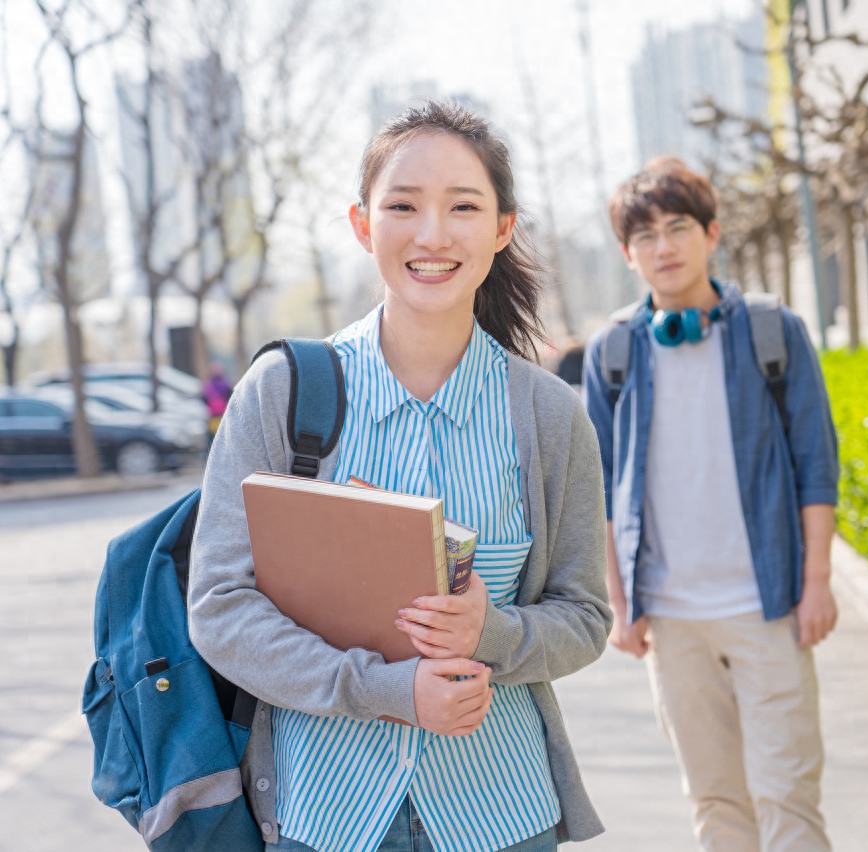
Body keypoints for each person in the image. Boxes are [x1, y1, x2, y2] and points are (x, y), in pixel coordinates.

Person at [188, 101, 611, 852]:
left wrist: (494, 631)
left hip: (501, 813)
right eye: (403, 206)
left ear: (502, 228)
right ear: (362, 225)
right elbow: (220, 606)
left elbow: (583, 617)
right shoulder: (282, 393)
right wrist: (384, 691)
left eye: (464, 207)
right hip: (327, 816)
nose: (433, 234)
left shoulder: (549, 415)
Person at [583, 157, 841, 851]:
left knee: (788, 797)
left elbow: (817, 464)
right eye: (644, 236)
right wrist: (620, 602)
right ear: (628, 255)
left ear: (712, 233)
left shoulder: (771, 332)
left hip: (768, 606)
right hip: (671, 618)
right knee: (716, 803)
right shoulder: (613, 351)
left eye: (677, 228)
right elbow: (604, 488)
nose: (663, 247)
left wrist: (817, 583)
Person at [202, 362, 232, 445]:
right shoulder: (209, 384)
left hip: (222, 415)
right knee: (214, 438)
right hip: (214, 416)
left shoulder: (225, 384)